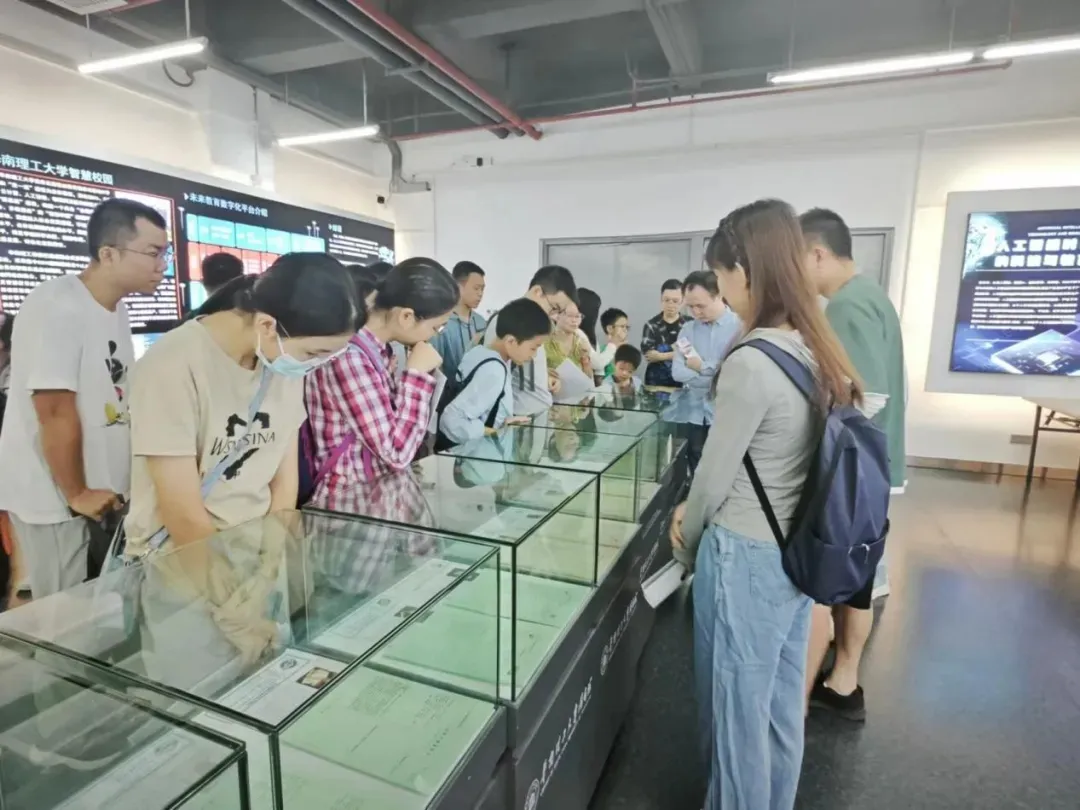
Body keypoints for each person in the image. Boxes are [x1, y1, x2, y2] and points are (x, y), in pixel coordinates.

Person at [670, 199, 864, 810]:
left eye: (720, 275)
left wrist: (688, 545)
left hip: (743, 557)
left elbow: (712, 480)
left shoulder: (752, 360)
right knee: (779, 708)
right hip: (793, 553)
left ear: (744, 271)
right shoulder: (812, 345)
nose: (721, 289)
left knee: (735, 719)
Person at [123, 254, 358, 557]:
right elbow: (183, 515)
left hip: (255, 554)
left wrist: (270, 563)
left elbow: (284, 484)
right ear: (267, 325)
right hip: (184, 560)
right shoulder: (171, 366)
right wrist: (229, 586)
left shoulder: (281, 360)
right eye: (313, 353)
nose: (315, 364)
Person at [0, 198, 168, 595]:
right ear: (108, 254)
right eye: (153, 253)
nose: (162, 265)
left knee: (98, 605)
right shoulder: (57, 304)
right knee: (65, 608)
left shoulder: (115, 309)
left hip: (97, 492)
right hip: (58, 497)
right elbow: (54, 410)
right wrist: (76, 492)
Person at [801, 207, 906, 721]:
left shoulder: (848, 305)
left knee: (833, 581)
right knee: (856, 581)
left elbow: (869, 396)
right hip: (871, 468)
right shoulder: (869, 296)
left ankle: (824, 690)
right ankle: (843, 679)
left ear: (817, 253)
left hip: (854, 472)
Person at [306, 258, 458, 487]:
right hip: (351, 498)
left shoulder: (376, 351)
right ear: (406, 317)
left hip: (374, 490)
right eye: (437, 327)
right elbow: (396, 452)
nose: (435, 335)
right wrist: (416, 376)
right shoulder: (351, 359)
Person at [439, 298, 550, 446]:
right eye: (533, 348)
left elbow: (482, 410)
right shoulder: (494, 370)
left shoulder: (479, 352)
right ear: (511, 341)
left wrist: (502, 422)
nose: (534, 355)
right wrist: (493, 432)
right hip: (478, 456)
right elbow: (451, 420)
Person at [670, 271, 741, 473]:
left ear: (718, 295)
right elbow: (678, 372)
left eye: (700, 306)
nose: (695, 312)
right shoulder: (687, 330)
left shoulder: (740, 327)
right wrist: (713, 372)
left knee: (723, 469)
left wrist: (701, 367)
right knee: (694, 465)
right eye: (690, 306)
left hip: (726, 414)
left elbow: (736, 371)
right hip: (693, 413)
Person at [484, 265, 577, 416]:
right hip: (519, 418)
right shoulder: (508, 320)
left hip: (537, 416)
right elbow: (491, 378)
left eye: (559, 312)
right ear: (537, 292)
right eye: (554, 308)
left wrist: (545, 377)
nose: (553, 316)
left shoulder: (534, 323)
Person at [431, 261, 487, 381]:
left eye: (482, 289)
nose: (480, 294)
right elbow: (435, 368)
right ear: (458, 287)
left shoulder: (481, 323)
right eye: (476, 288)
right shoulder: (441, 323)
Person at [641, 279, 690, 387]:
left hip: (683, 383)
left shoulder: (690, 324)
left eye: (675, 301)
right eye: (666, 300)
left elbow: (691, 354)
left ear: (682, 301)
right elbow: (649, 355)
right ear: (661, 300)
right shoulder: (651, 325)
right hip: (655, 382)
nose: (670, 304)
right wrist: (675, 349)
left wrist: (661, 355)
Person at [544, 302, 593, 377]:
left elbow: (589, 379)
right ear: (556, 316)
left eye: (577, 316)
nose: (574, 320)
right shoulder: (544, 341)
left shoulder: (581, 342)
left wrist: (585, 361)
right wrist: (545, 371)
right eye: (570, 315)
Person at [591, 308, 630, 378]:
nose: (625, 330)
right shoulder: (600, 351)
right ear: (610, 329)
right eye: (622, 326)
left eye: (627, 327)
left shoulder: (628, 351)